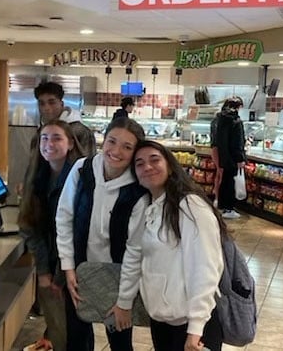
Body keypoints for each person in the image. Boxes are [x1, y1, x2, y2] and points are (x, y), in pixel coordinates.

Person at [56, 117, 147, 351]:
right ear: (103, 140)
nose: (116, 151)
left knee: (120, 341)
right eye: (112, 141)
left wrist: (125, 299)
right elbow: (64, 217)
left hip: (116, 278)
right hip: (78, 273)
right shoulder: (83, 169)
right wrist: (68, 267)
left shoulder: (137, 191)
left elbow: (136, 250)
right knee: (76, 339)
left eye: (127, 147)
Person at [127, 140, 225, 351]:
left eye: (154, 160)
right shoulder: (150, 207)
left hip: (192, 326)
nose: (147, 167)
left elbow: (205, 267)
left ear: (170, 165)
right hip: (163, 322)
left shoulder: (189, 205)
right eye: (139, 163)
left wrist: (196, 328)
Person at [19, 120, 86, 351]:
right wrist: (44, 270)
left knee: (76, 333)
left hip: (74, 269)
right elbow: (29, 224)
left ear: (70, 145)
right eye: (44, 138)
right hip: (51, 265)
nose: (49, 143)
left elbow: (76, 232)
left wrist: (58, 275)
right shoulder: (36, 175)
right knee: (59, 332)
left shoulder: (81, 178)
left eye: (57, 138)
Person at [210, 97, 246, 219]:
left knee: (223, 179)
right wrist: (240, 158)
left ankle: (220, 204)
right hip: (231, 157)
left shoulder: (219, 119)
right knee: (229, 182)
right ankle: (229, 208)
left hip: (221, 153)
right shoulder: (235, 121)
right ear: (237, 107)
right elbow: (237, 142)